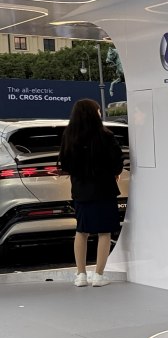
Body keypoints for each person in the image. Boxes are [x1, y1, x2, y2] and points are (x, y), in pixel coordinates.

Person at [57, 98, 124, 288]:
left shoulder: (69, 135)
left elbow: (65, 164)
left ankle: (80, 275)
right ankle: (99, 275)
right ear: (94, 113)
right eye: (98, 111)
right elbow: (117, 162)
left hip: (81, 191)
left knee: (81, 231)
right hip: (104, 189)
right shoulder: (106, 135)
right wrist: (113, 173)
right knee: (104, 232)